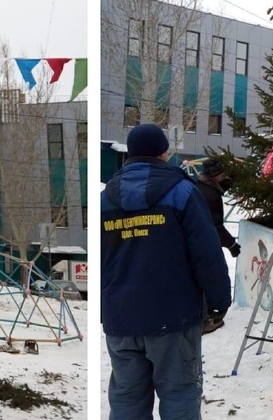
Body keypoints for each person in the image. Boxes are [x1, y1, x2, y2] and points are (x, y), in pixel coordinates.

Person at [102, 123, 232, 419]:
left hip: (121, 319)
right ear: (164, 152)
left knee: (126, 399)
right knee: (179, 395)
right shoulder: (183, 194)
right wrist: (219, 300)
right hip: (173, 318)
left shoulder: (104, 201)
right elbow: (207, 254)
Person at [195, 159, 239, 334]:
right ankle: (204, 319)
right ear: (214, 175)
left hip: (196, 238)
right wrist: (232, 244)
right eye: (222, 173)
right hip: (202, 240)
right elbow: (216, 226)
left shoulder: (201, 184)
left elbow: (220, 186)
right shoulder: (210, 195)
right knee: (209, 276)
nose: (224, 176)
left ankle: (207, 312)